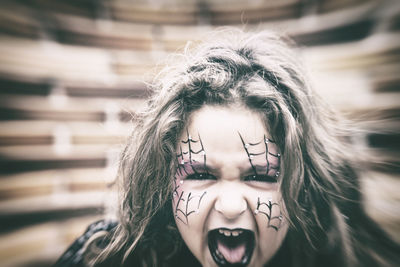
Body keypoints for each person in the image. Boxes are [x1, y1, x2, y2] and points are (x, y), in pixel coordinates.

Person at [55, 30, 399, 267]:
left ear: (303, 187)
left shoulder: (342, 257)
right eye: (201, 174)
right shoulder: (103, 257)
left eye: (261, 175)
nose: (232, 206)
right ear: (164, 186)